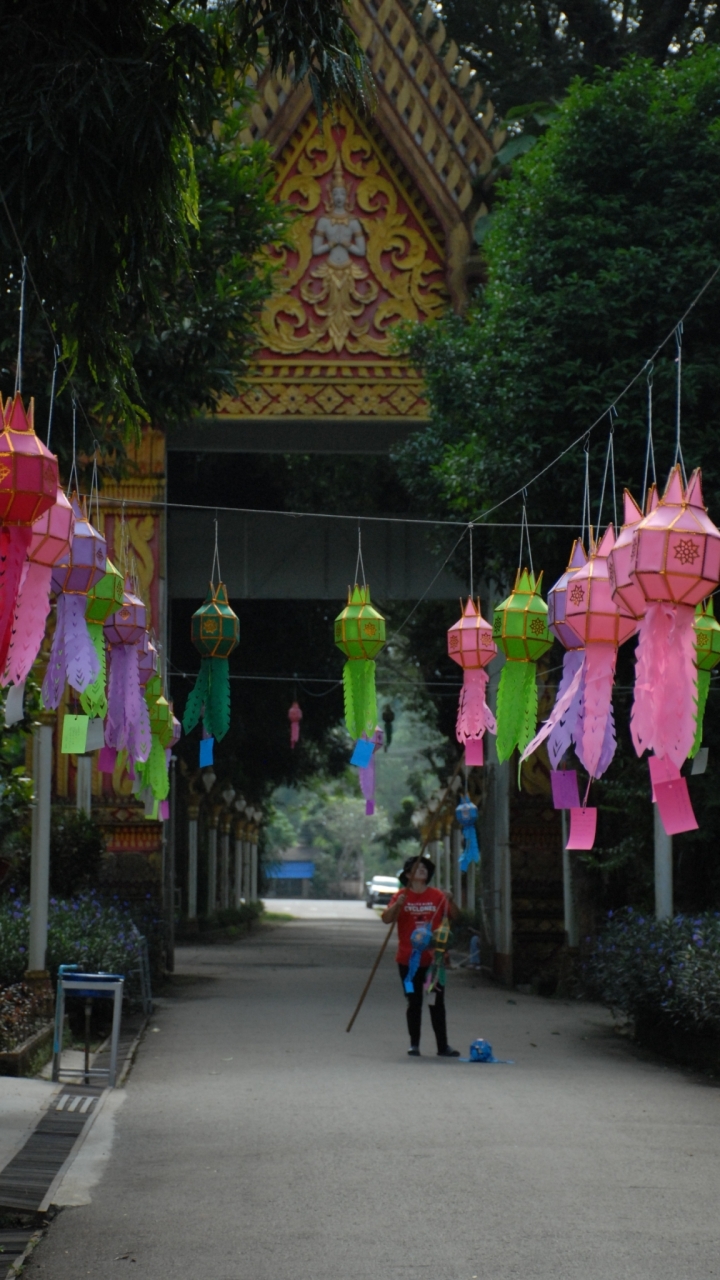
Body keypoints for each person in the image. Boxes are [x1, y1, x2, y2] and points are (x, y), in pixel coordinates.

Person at [382, 855, 460, 1057]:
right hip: (407, 963)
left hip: (435, 962)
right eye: (418, 868)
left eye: (425, 868)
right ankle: (414, 1044)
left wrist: (450, 900)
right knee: (413, 1000)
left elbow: (454, 917)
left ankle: (443, 1046)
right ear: (408, 875)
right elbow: (386, 919)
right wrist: (397, 905)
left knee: (436, 1002)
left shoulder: (438, 896)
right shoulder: (401, 895)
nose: (423, 870)